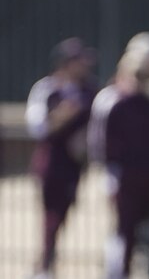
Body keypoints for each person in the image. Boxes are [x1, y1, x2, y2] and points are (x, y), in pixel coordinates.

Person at [87, 45, 149, 279]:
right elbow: (103, 145)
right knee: (124, 230)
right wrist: (110, 175)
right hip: (124, 178)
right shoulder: (116, 105)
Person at [25, 37, 98, 279]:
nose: (84, 66)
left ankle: (47, 262)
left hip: (74, 165)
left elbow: (97, 127)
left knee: (63, 213)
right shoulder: (47, 89)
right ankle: (44, 266)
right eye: (78, 61)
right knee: (50, 215)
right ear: (65, 63)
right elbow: (38, 127)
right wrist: (63, 115)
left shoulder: (89, 90)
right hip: (51, 163)